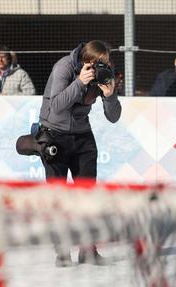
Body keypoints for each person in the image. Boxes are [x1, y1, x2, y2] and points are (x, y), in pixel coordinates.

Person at [37, 40, 121, 267]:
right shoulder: (64, 67)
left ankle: (88, 250)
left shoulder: (104, 74)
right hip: (54, 134)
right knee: (59, 197)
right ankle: (62, 251)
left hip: (82, 136)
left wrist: (110, 95)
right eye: (96, 64)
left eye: (104, 64)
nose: (99, 69)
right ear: (85, 60)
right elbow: (56, 106)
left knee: (88, 197)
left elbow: (113, 117)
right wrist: (78, 83)